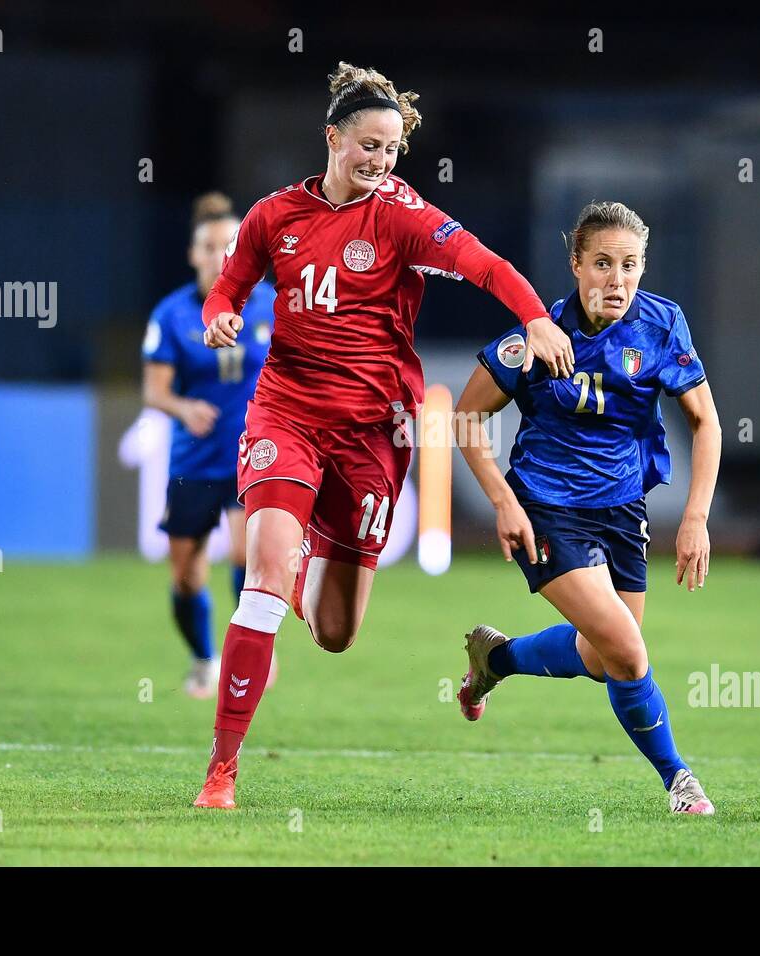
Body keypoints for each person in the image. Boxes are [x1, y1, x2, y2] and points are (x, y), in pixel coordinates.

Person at [193, 62, 575, 808]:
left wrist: (533, 317)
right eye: (368, 146)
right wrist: (220, 319)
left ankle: (305, 570)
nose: (380, 162)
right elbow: (229, 286)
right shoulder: (273, 216)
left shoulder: (402, 215)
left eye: (392, 150)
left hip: (374, 433)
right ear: (332, 138)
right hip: (288, 412)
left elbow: (486, 266)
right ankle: (222, 771)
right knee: (264, 578)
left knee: (335, 633)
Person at [453, 201, 722, 815]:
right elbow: (465, 416)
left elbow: (705, 422)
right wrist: (502, 501)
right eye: (602, 263)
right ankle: (680, 781)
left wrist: (696, 518)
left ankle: (496, 659)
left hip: (623, 510)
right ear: (575, 265)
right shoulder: (539, 334)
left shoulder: (661, 325)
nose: (617, 280)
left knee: (603, 659)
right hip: (545, 509)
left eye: (630, 266)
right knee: (628, 652)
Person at [141, 192, 276, 698]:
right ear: (194, 254)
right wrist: (183, 408)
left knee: (249, 556)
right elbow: (154, 391)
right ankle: (203, 658)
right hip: (194, 461)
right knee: (186, 576)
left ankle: (253, 650)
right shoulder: (172, 315)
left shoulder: (270, 305)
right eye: (210, 245)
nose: (221, 255)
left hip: (255, 454)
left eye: (231, 244)